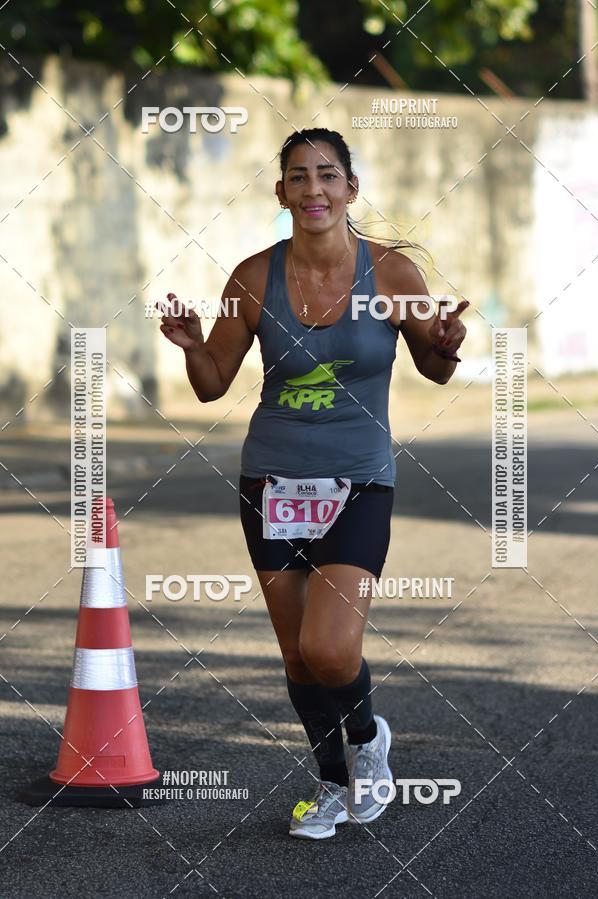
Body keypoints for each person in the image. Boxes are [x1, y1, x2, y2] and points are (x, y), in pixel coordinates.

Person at [158, 127, 468, 840]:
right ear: (281, 193)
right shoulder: (252, 278)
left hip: (359, 478)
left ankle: (368, 739)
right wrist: (194, 346)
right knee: (298, 654)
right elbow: (211, 386)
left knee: (330, 647)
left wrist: (446, 347)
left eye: (327, 175)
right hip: (271, 480)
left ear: (350, 188)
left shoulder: (391, 274)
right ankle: (330, 783)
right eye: (298, 177)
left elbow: (433, 368)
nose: (313, 189)